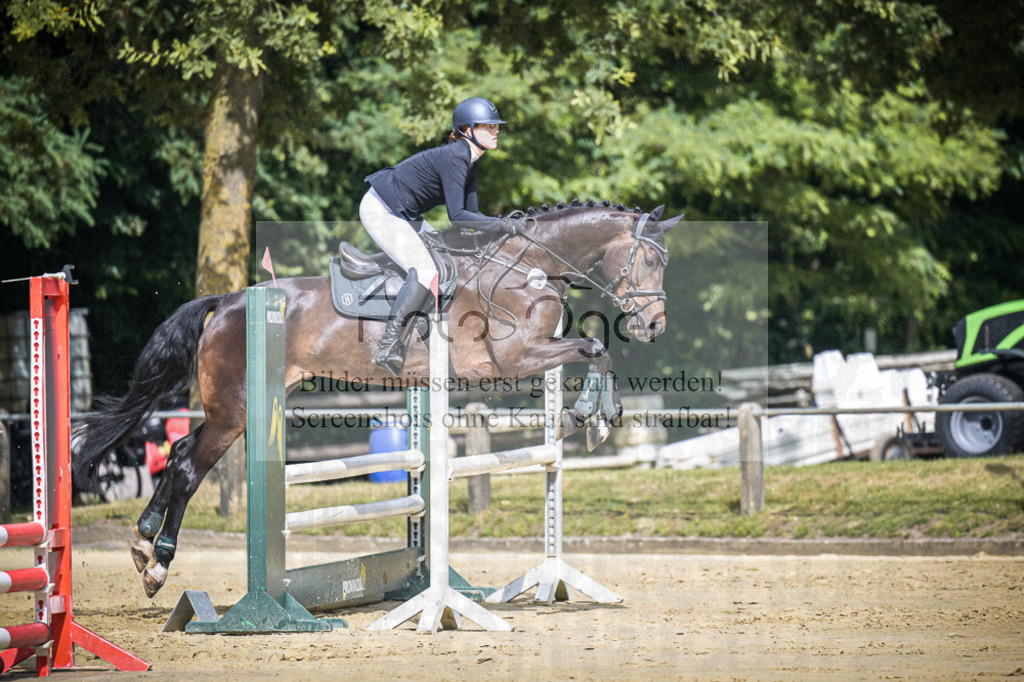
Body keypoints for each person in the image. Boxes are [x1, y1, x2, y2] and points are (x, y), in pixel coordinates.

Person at [359, 96, 523, 376]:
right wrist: (500, 224)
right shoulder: (457, 155)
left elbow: (469, 218)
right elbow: (458, 216)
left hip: (405, 215)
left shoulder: (471, 159)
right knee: (425, 271)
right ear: (468, 130)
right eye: (488, 126)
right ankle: (388, 345)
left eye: (497, 127)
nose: (496, 131)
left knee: (448, 257)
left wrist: (499, 228)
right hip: (382, 209)